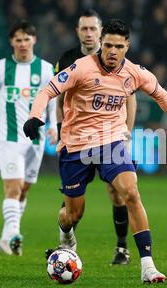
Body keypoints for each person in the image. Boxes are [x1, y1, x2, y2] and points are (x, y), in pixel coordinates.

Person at [23, 19, 167, 283]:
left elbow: (162, 95)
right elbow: (48, 91)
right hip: (76, 146)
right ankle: (66, 236)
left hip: (112, 143)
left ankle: (148, 266)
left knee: (131, 192)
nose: (112, 51)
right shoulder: (81, 68)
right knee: (72, 214)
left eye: (118, 46)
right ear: (101, 43)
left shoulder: (135, 73)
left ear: (127, 46)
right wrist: (35, 116)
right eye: (107, 45)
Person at [50, 9, 137, 265]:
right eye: (83, 28)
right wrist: (60, 130)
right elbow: (58, 98)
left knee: (118, 192)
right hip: (77, 141)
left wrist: (126, 132)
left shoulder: (117, 59)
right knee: (73, 208)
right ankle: (65, 241)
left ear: (101, 32)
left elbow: (130, 100)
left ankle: (122, 248)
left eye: (92, 28)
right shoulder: (68, 59)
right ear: (77, 31)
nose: (88, 33)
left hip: (111, 137)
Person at [0, 20, 57, 256]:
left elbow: (53, 100)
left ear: (34, 41)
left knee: (24, 190)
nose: (23, 44)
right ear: (11, 42)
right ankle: (15, 235)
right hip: (9, 139)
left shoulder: (46, 69)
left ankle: (6, 238)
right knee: (13, 187)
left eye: (27, 39)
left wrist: (54, 126)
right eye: (18, 40)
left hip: (35, 141)